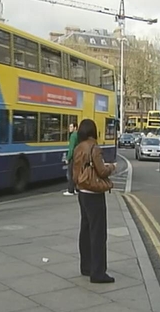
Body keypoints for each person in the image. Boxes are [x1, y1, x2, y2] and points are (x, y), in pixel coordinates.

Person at [72, 119, 117, 283]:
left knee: (85, 230)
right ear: (93, 130)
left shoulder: (78, 147)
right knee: (98, 233)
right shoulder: (94, 147)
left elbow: (75, 171)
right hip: (94, 193)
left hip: (82, 193)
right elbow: (102, 171)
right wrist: (112, 167)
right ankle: (98, 272)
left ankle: (86, 266)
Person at [64, 122, 79, 196]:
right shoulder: (78, 135)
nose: (69, 128)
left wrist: (68, 158)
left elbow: (71, 148)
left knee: (70, 174)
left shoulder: (73, 136)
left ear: (75, 127)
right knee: (76, 174)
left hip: (73, 157)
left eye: (71, 127)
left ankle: (70, 190)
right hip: (77, 157)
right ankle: (77, 189)